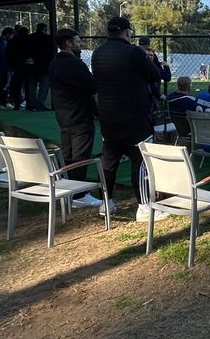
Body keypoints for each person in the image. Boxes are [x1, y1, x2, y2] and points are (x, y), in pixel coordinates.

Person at [91, 17, 161, 219]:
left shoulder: (98, 52)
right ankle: (144, 207)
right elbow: (155, 75)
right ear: (127, 33)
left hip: (108, 117)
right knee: (140, 161)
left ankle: (106, 203)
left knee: (109, 161)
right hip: (134, 118)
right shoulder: (134, 52)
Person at [48, 29, 102, 208]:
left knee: (68, 155)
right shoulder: (74, 63)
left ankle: (69, 191)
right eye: (77, 41)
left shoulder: (55, 63)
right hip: (79, 116)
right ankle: (79, 194)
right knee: (80, 157)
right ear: (68, 43)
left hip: (64, 116)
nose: (80, 44)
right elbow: (93, 85)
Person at [27, 22, 54, 111]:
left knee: (32, 85)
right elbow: (50, 53)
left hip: (31, 65)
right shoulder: (48, 38)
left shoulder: (30, 38)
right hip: (44, 65)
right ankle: (40, 104)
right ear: (45, 29)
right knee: (44, 86)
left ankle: (31, 104)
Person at [6, 25, 31, 110]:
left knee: (17, 86)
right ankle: (29, 103)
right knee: (28, 85)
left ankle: (17, 104)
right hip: (27, 66)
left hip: (17, 66)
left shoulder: (13, 41)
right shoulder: (28, 41)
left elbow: (8, 53)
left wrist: (11, 64)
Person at [0, 26, 14, 108]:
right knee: (5, 83)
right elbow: (4, 55)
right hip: (4, 66)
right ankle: (3, 101)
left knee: (4, 82)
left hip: (1, 65)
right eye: (11, 35)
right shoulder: (3, 42)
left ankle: (4, 101)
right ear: (8, 34)